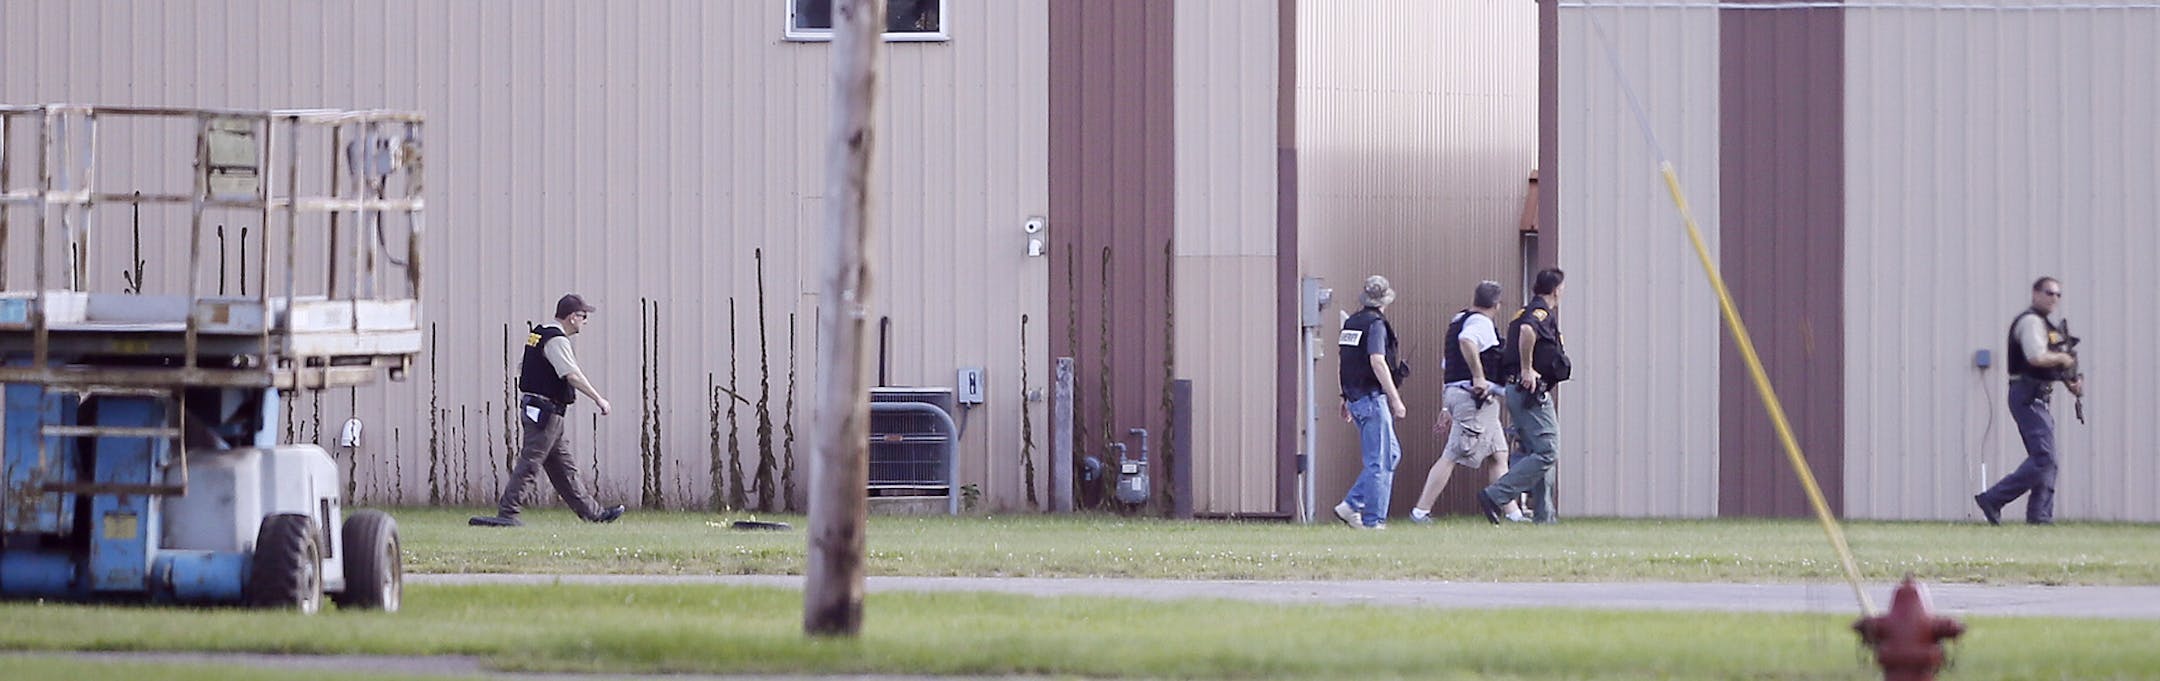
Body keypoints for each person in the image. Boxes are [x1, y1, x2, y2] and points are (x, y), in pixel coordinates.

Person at [471, 293, 627, 527]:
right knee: (530, 463)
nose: (585, 321)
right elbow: (571, 374)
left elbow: (523, 367)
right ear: (573, 317)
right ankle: (507, 513)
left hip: (541, 410)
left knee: (564, 469)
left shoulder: (538, 333)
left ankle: (594, 514)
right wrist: (598, 399)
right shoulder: (557, 339)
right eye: (583, 316)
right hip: (546, 412)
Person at [1410, 280, 1525, 523]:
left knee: (1498, 455)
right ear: (1497, 305)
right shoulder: (1480, 323)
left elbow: (1448, 364)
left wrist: (1446, 405)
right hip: (1474, 400)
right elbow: (1467, 340)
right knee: (1452, 455)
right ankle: (1420, 512)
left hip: (1460, 394)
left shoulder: (1458, 319)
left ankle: (1513, 514)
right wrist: (1479, 376)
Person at [1975, 277, 2082, 526]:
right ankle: (1994, 499)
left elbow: (2053, 362)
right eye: (2049, 293)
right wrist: (2064, 360)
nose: (2054, 298)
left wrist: (2071, 382)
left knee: (2048, 459)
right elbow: (2036, 358)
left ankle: (2040, 516)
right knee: (2044, 456)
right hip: (2028, 393)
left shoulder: (2048, 327)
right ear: (2035, 294)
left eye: (2058, 295)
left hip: (2038, 395)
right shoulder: (2031, 322)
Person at [1478, 268, 1569, 525]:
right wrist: (1528, 369)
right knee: (1548, 450)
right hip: (1528, 390)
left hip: (1518, 390)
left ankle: (1544, 517)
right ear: (1555, 290)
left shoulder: (1522, 312)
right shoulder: (1538, 314)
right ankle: (1496, 495)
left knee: (1537, 451)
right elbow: (1529, 331)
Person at [1332, 276, 1408, 530]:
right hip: (1372, 399)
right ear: (1385, 301)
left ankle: (1352, 504)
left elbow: (1345, 361)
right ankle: (1375, 521)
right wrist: (1395, 399)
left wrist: (1344, 396)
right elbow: (1377, 360)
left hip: (1355, 398)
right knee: (1379, 462)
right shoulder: (1376, 325)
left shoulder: (1352, 323)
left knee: (1392, 454)